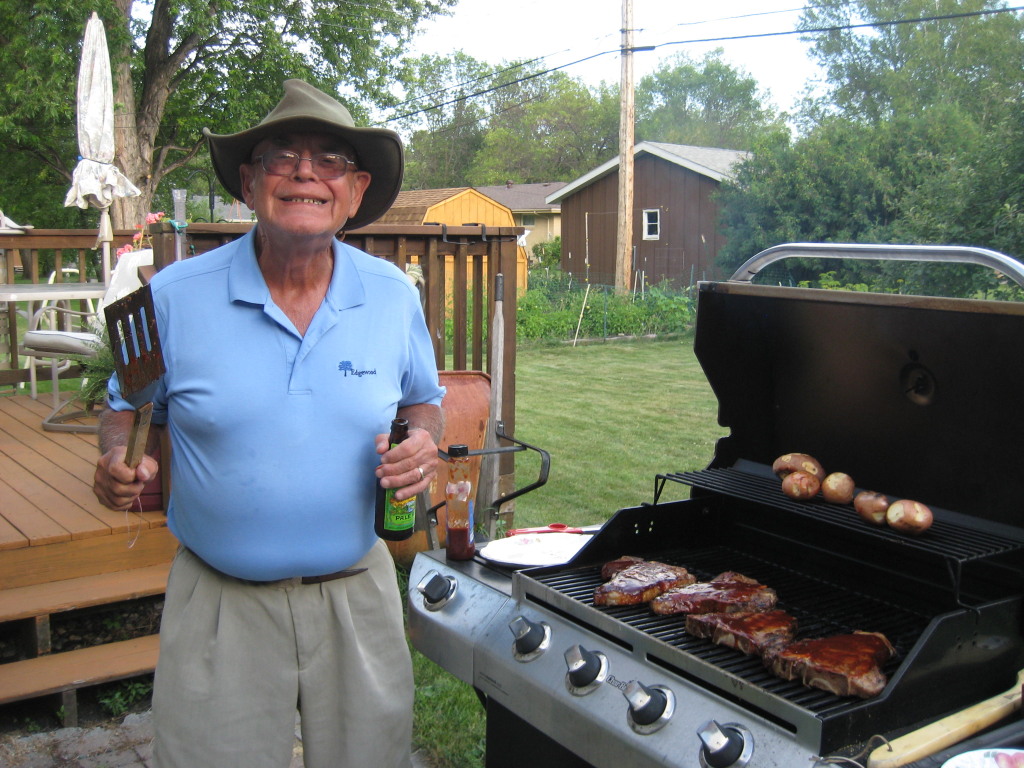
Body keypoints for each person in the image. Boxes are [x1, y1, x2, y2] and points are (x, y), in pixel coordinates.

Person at [92, 79, 445, 768]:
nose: (305, 172)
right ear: (250, 183)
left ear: (355, 187)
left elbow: (421, 399)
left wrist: (423, 439)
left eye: (330, 160)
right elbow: (123, 410)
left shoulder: (392, 297)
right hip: (220, 605)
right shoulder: (172, 297)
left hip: (358, 597)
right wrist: (113, 459)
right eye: (282, 154)